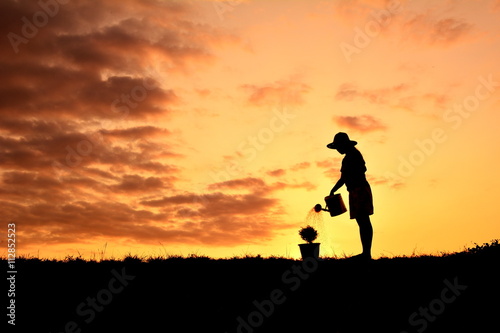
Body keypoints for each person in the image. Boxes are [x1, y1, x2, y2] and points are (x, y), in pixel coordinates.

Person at [327, 132, 374, 260]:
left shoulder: (350, 157)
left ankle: (366, 254)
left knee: (363, 221)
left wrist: (333, 190)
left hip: (359, 190)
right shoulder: (354, 154)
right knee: (362, 221)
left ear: (343, 145)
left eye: (338, 147)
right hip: (357, 190)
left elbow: (344, 178)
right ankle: (366, 253)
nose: (337, 150)